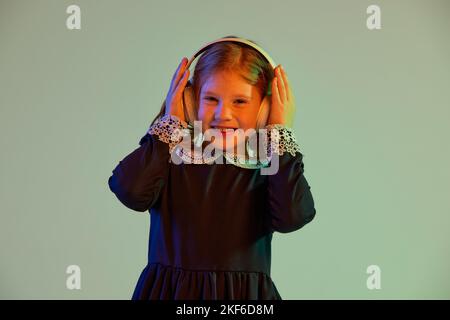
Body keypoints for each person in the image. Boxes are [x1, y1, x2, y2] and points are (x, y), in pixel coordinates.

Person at [108, 36, 316, 300]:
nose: (223, 114)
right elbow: (131, 191)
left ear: (265, 108)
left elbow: (293, 216)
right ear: (190, 102)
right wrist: (170, 124)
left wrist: (279, 135)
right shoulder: (171, 157)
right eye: (210, 99)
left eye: (240, 101)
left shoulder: (269, 166)